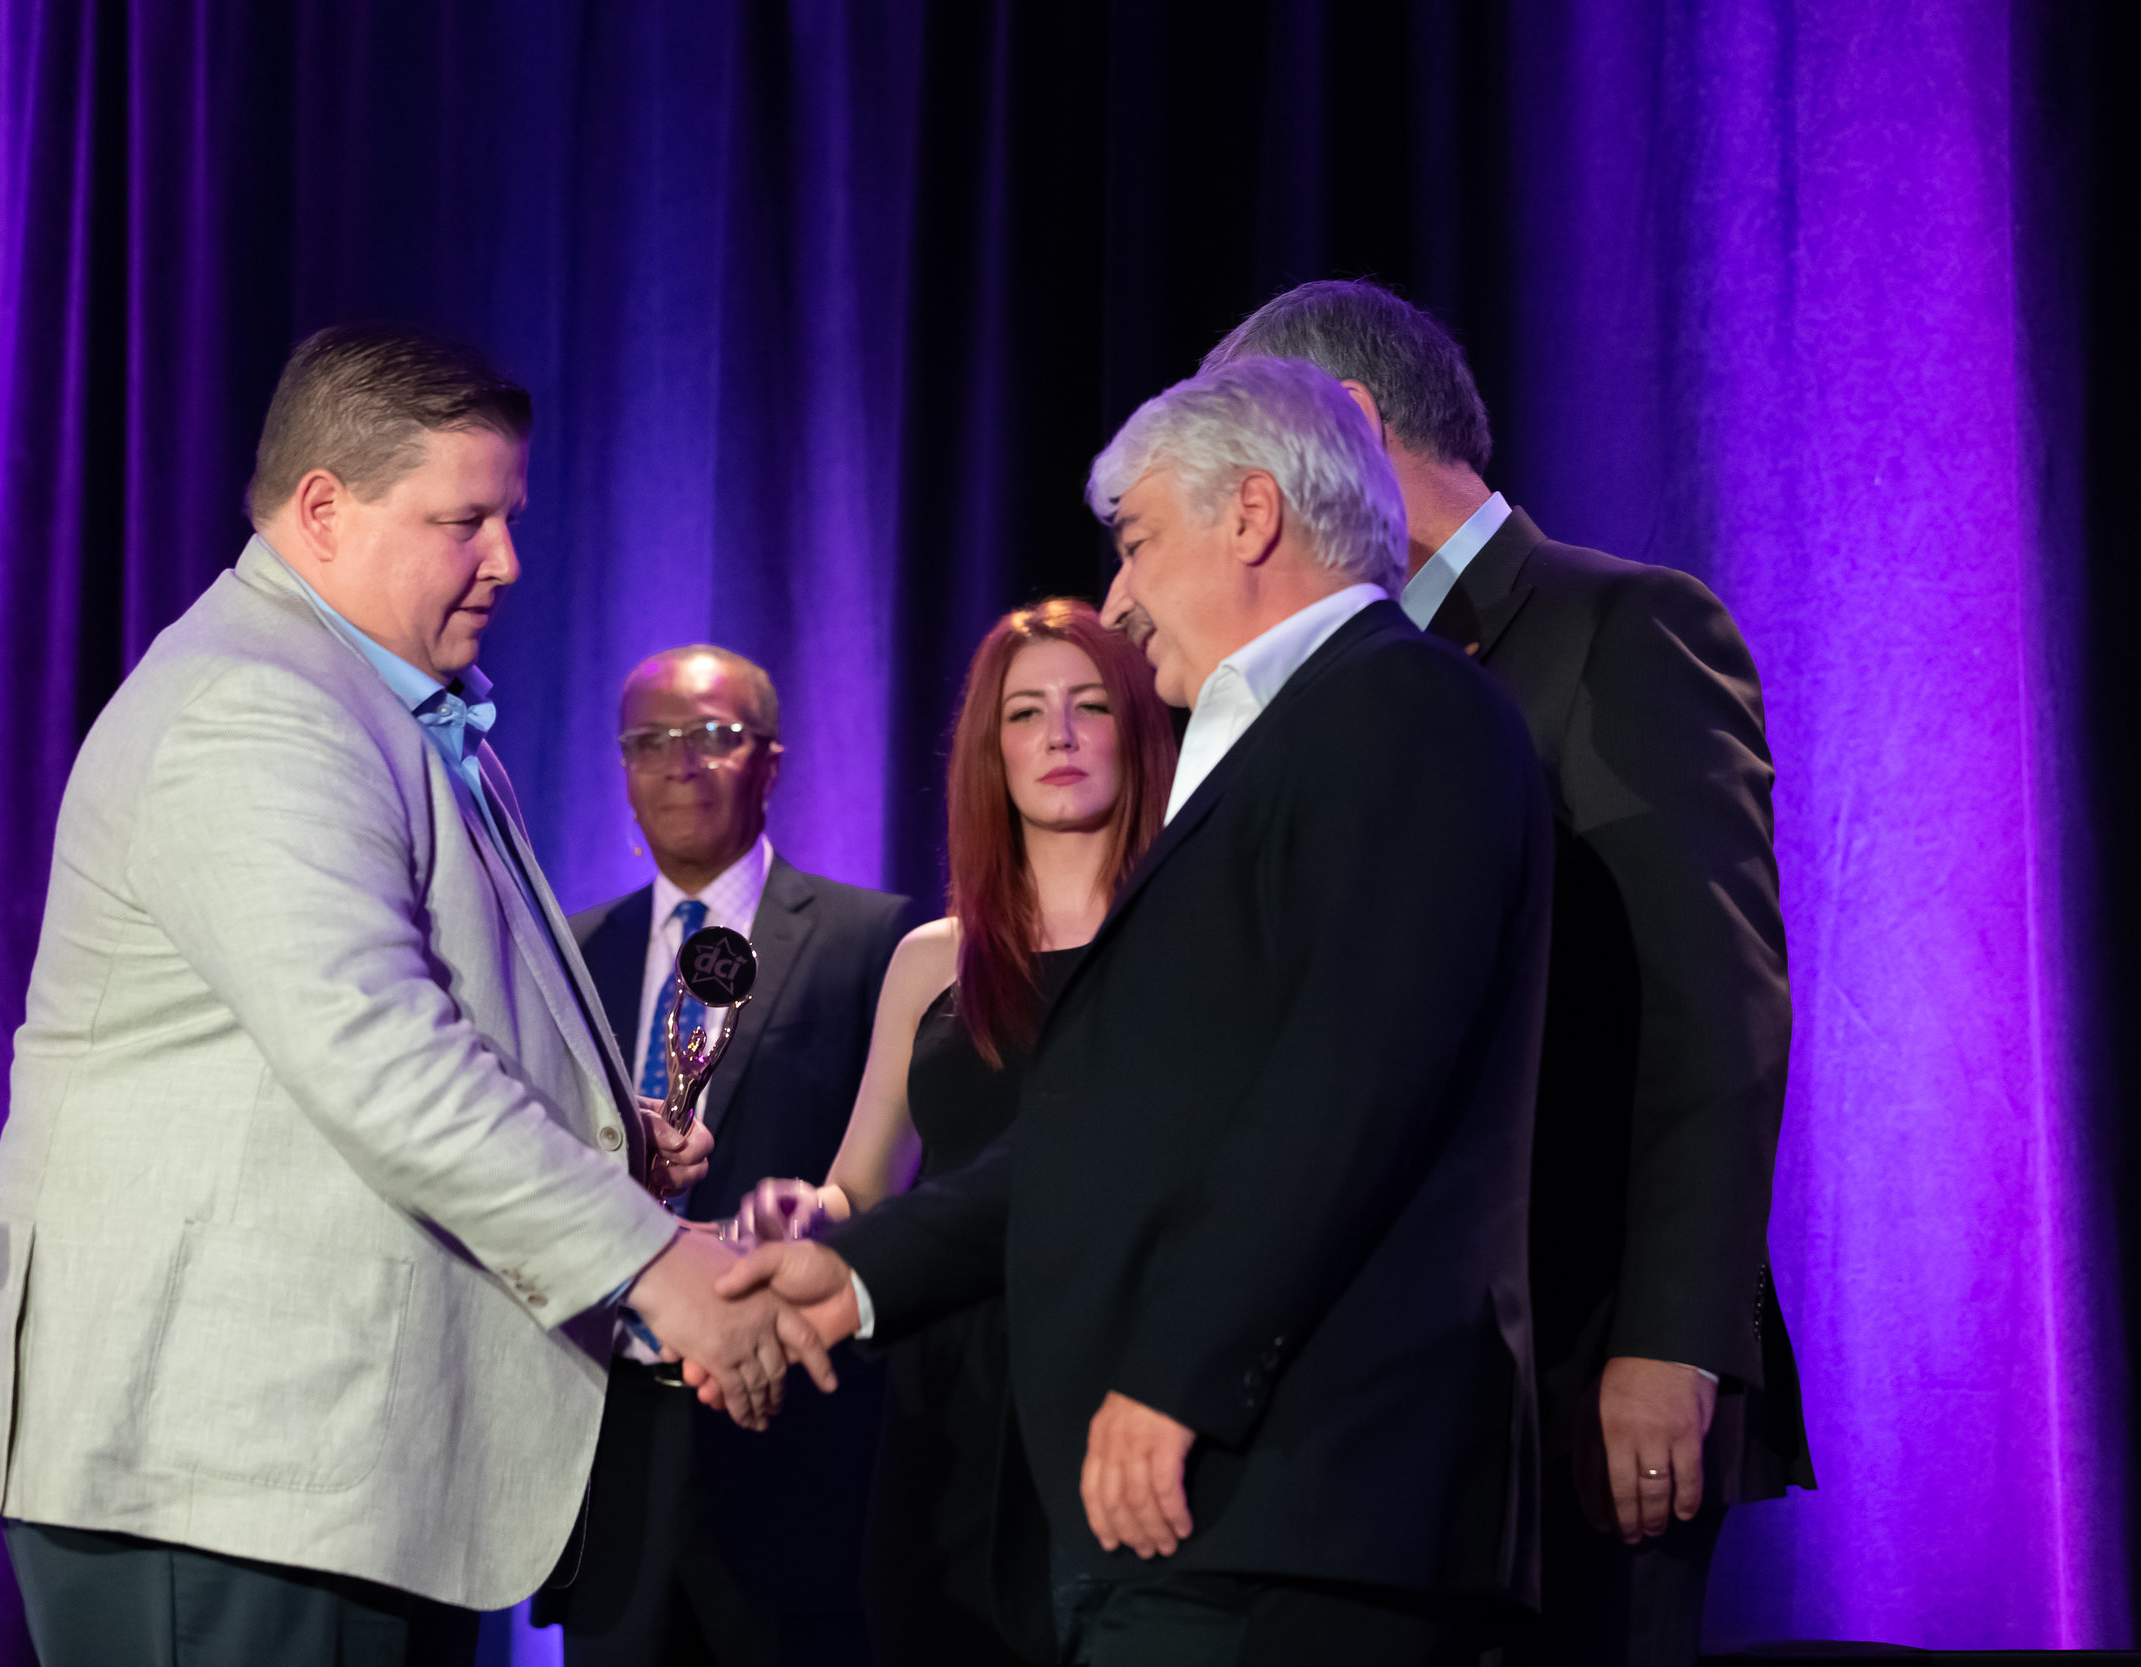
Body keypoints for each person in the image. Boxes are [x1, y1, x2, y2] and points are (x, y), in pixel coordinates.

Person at [0, 324, 830, 1667]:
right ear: (324, 508)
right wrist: (660, 1264)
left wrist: (613, 1135)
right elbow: (380, 1053)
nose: (507, 559)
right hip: (224, 1469)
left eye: (511, 515)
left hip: (328, 1473)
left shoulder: (389, 705)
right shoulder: (255, 712)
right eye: (464, 519)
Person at [712, 357, 1553, 1667]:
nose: (1118, 596)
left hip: (1294, 1507)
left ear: (1253, 515)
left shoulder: (1403, 710)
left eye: (1138, 540)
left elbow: (1351, 1086)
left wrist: (1184, 1373)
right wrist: (861, 1277)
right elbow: (1112, 1134)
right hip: (1192, 1526)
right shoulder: (1286, 752)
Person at [1202, 278, 1810, 1667]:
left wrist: (1670, 1340)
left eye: (1245, 459)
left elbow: (1711, 1011)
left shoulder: (1619, 626)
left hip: (1591, 1360)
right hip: (1399, 1387)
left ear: (1344, 425)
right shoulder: (1327, 682)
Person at [734, 599, 1175, 1665]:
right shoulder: (933, 956)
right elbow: (867, 1180)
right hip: (949, 1398)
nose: (1059, 736)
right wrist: (808, 1215)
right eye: (1026, 713)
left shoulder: (1187, 933)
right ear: (992, 751)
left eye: (1087, 706)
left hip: (1127, 1378)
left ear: (1138, 725)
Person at [540, 644, 911, 1666]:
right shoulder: (568, 954)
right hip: (611, 1455)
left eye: (712, 736)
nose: (680, 762)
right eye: (649, 741)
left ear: (772, 759)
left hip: (796, 1446)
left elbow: (908, 1188)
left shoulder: (871, 939)